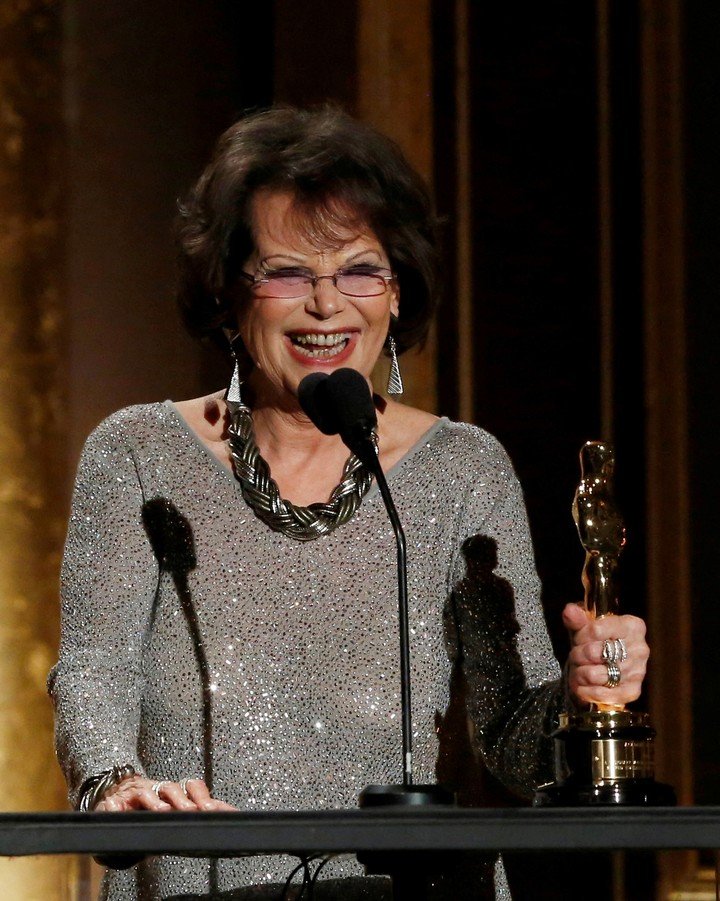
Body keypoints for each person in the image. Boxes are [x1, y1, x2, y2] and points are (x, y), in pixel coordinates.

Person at [48, 106, 649, 900]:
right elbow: (94, 673)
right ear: (230, 293)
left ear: (396, 293)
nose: (327, 305)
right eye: (287, 273)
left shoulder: (463, 470)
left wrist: (583, 695)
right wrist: (116, 784)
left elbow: (513, 741)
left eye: (360, 271)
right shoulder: (138, 456)